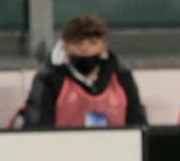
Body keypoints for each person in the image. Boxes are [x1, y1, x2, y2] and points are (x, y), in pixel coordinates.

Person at [19, 13, 148, 129]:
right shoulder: (48, 79)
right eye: (77, 43)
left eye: (93, 43)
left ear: (104, 45)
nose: (85, 49)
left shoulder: (122, 77)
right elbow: (37, 128)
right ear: (65, 45)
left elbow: (138, 124)